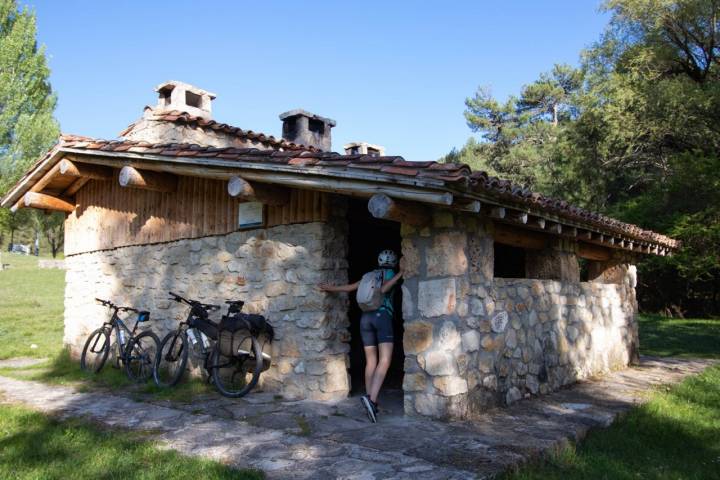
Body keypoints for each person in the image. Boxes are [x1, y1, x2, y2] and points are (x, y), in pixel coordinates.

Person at [318, 249, 403, 423]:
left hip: (366, 319)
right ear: (393, 262)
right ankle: (371, 400)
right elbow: (385, 288)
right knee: (385, 360)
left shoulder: (369, 274)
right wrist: (401, 273)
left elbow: (350, 288)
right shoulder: (390, 272)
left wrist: (329, 288)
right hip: (382, 317)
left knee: (371, 361)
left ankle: (370, 397)